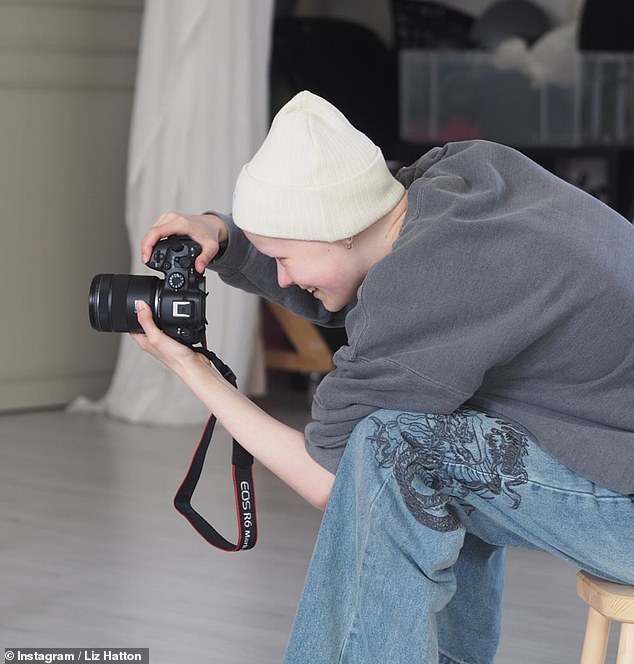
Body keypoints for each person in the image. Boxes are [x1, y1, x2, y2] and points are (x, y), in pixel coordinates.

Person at [132, 90, 634, 664]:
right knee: (437, 433)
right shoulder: (462, 176)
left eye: (284, 258)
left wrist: (193, 369)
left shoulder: (428, 281)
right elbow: (365, 269)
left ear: (342, 228)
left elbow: (334, 479)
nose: (283, 279)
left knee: (395, 449)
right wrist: (222, 234)